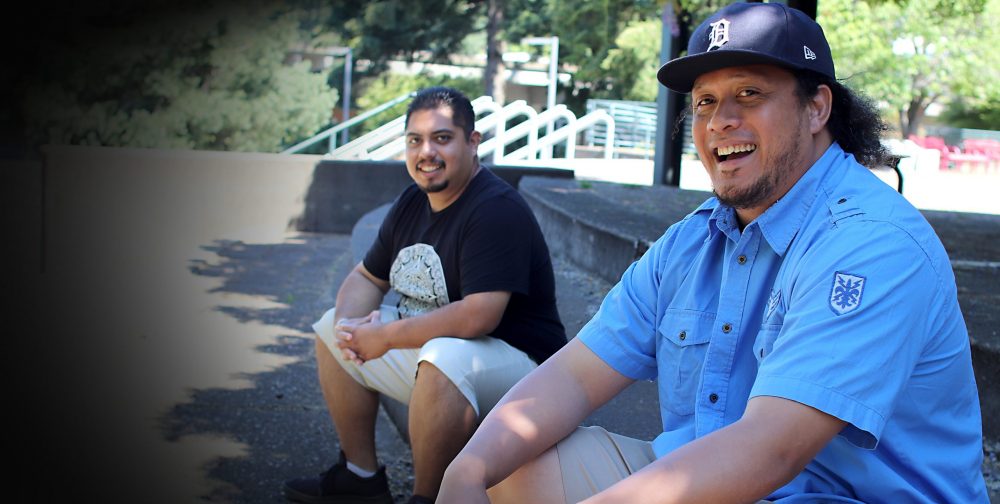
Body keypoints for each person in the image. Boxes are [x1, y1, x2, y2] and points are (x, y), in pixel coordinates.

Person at [438, 3, 989, 503]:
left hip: (845, 496)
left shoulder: (871, 243)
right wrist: (465, 470)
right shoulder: (692, 242)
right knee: (513, 469)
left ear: (817, 107)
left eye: (749, 93)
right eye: (705, 101)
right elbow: (576, 377)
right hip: (716, 477)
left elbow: (769, 450)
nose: (720, 120)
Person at [284, 86, 567, 504]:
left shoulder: (495, 209)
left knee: (442, 357)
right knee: (331, 328)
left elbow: (479, 316)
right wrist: (352, 328)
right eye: (414, 140)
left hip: (526, 370)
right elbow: (367, 277)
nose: (426, 152)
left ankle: (428, 498)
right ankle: (360, 478)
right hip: (456, 360)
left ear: (473, 143)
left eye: (441, 138)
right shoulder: (412, 201)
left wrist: (385, 337)